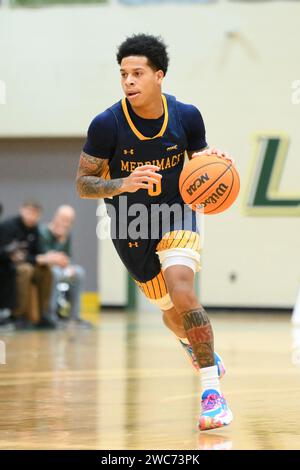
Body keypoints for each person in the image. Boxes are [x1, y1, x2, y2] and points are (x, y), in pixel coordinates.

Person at [76, 34, 233, 430]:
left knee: (183, 289)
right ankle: (194, 345)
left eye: (138, 73)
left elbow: (202, 164)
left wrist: (216, 164)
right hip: (131, 224)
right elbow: (83, 183)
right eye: (124, 74)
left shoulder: (186, 115)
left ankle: (212, 394)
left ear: (158, 75)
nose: (129, 81)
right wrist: (122, 184)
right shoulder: (107, 124)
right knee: (170, 313)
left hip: (177, 212)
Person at [0, 201, 57, 329]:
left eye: (35, 213)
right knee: (26, 270)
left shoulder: (34, 229)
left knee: (46, 271)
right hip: (8, 265)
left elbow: (39, 251)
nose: (32, 216)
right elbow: (9, 254)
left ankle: (42, 313)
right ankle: (16, 314)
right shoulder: (8, 226)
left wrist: (46, 257)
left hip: (29, 262)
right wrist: (37, 259)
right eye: (29, 211)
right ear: (22, 210)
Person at [39, 205, 92, 328]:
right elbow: (43, 255)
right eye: (63, 219)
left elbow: (67, 257)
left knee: (79, 272)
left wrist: (69, 266)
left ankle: (74, 316)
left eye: (69, 221)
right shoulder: (42, 231)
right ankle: (52, 316)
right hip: (46, 268)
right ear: (56, 217)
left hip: (60, 267)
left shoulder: (66, 236)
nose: (66, 223)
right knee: (55, 273)